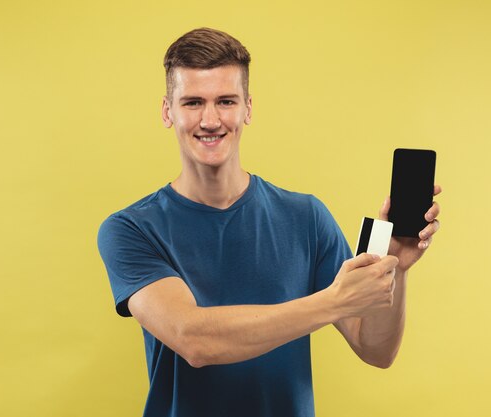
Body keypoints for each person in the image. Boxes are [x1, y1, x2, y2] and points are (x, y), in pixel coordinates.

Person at [97, 27, 441, 417]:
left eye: (225, 101)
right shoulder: (130, 229)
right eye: (193, 102)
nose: (210, 119)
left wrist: (396, 269)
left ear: (247, 108)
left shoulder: (306, 217)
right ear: (167, 111)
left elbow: (376, 349)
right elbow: (193, 339)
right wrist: (333, 301)